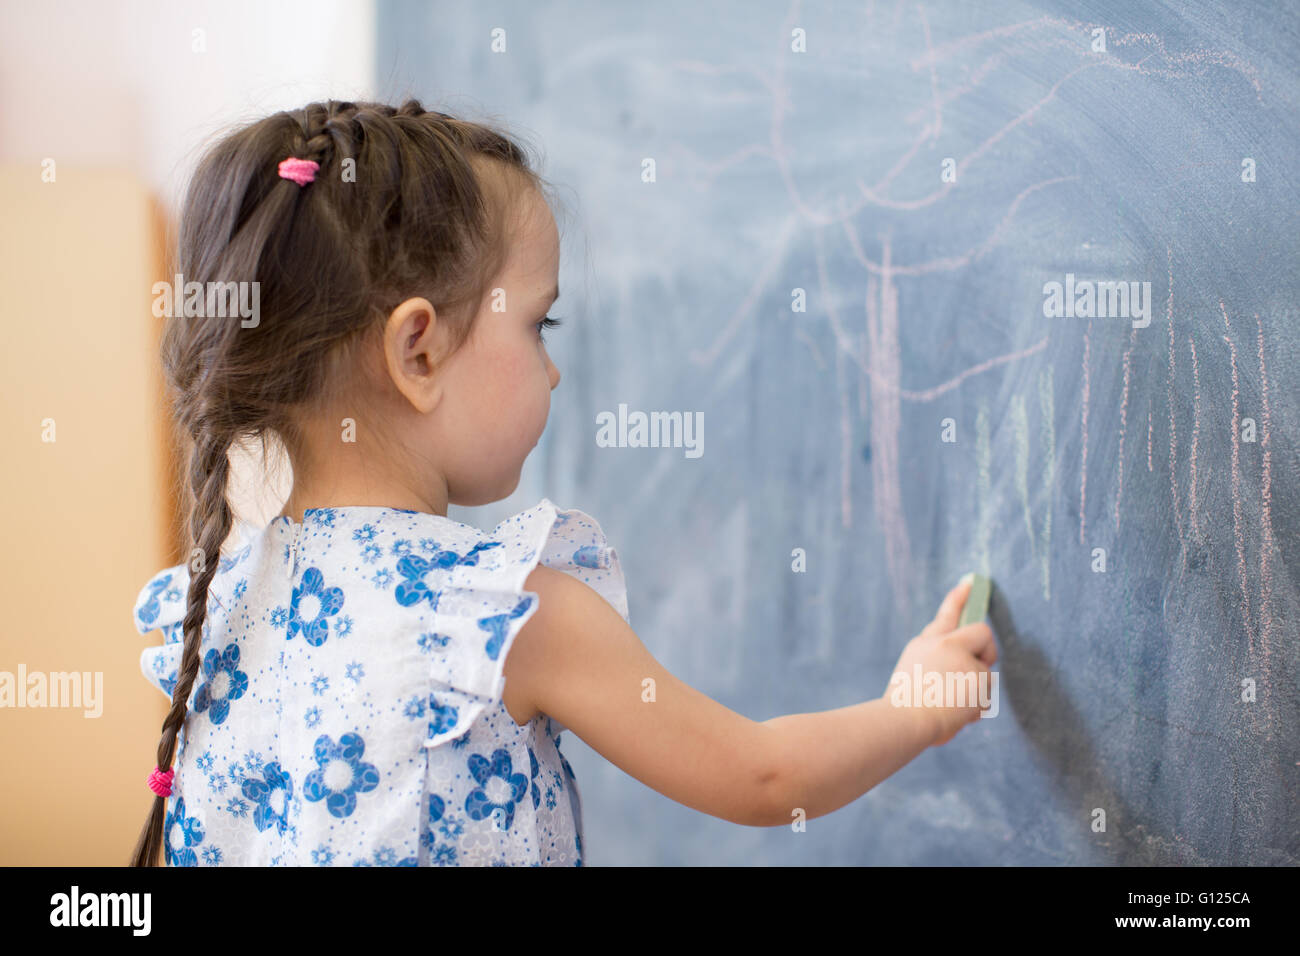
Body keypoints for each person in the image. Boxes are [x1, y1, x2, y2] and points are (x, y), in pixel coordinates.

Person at [130, 99, 996, 867]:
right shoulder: (497, 619)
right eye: (540, 325)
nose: (552, 374)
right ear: (417, 350)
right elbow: (764, 777)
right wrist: (916, 708)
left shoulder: (217, 614)